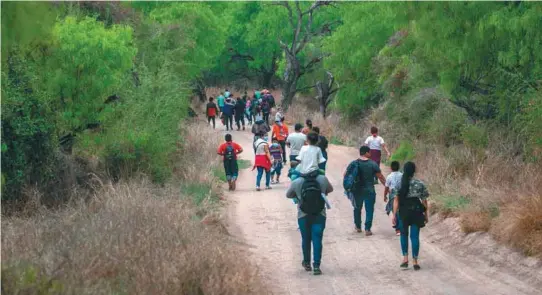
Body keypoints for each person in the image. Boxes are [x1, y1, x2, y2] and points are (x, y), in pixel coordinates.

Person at [286, 169, 333, 275]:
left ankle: (306, 263)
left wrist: (298, 197)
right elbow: (330, 189)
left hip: (303, 214)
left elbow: (288, 195)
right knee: (317, 239)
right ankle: (316, 266)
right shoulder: (323, 179)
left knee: (305, 239)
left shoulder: (297, 181)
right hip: (320, 213)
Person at [392, 162, 429, 271]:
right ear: (414, 171)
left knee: (403, 235)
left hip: (403, 212)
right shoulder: (419, 183)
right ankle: (415, 261)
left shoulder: (399, 183)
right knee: (415, 237)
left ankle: (405, 259)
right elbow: (424, 201)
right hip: (416, 212)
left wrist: (394, 215)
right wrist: (426, 215)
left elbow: (396, 200)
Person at [344, 146, 386, 236]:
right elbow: (380, 177)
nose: (370, 154)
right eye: (369, 152)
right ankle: (367, 229)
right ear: (366, 153)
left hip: (357, 190)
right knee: (369, 209)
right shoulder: (372, 164)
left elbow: (345, 175)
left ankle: (358, 226)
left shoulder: (354, 163)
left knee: (357, 208)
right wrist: (387, 187)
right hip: (369, 190)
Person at [384, 161, 403, 236]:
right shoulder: (402, 175)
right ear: (399, 167)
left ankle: (398, 229)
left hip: (392, 194)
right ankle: (400, 227)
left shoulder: (389, 176)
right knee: (400, 210)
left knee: (395, 210)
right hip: (401, 194)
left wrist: (384, 195)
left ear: (390, 168)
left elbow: (386, 187)